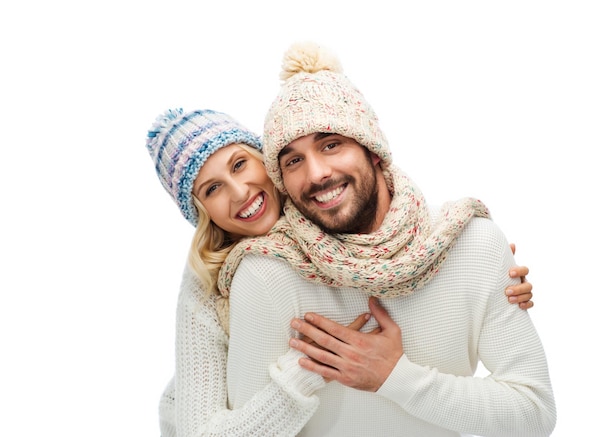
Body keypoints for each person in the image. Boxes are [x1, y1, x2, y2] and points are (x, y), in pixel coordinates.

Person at [218, 41, 556, 436]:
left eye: (331, 144)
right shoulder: (266, 273)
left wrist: (394, 378)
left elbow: (534, 414)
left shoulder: (471, 244)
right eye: (293, 161)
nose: (316, 174)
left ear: (373, 151)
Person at [145, 108, 535, 435]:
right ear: (201, 213)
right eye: (212, 189)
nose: (240, 191)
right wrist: (310, 367)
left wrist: (479, 258)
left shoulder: (334, 211)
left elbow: (398, 225)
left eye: (240, 164)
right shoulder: (214, 281)